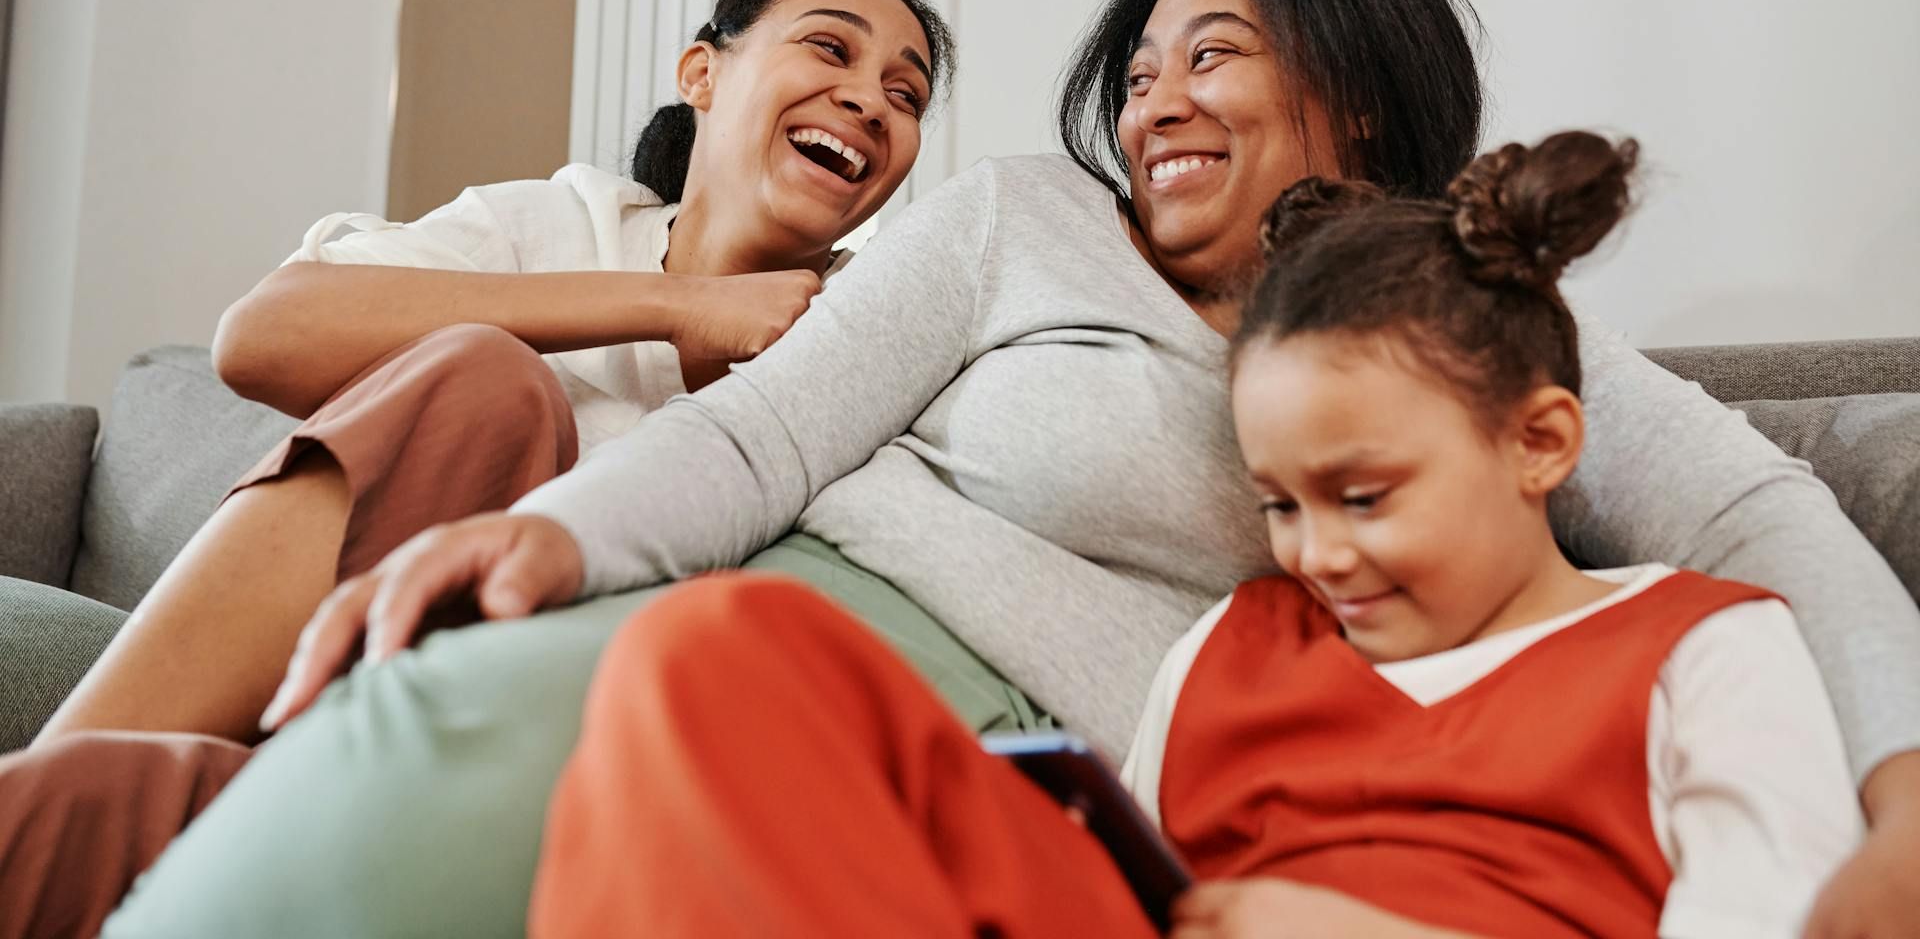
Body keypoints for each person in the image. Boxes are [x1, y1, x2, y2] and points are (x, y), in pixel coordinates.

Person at [100, 0, 1920, 939]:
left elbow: (1765, 523)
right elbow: (768, 441)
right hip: (751, 630)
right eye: (1133, 78)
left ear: (1355, 83)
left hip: (1030, 795)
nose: (1151, 109)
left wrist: (1900, 796)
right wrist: (558, 532)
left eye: (1208, 55)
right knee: (292, 824)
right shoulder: (1014, 225)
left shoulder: (1475, 326)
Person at [523, 131, 1864, 938]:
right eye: (1279, 503)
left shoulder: (1702, 646)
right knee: (712, 652)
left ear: (1541, 444)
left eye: (1365, 495)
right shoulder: (1242, 640)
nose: (1315, 552)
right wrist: (795, 450)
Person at [0, 0, 953, 939]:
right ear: (701, 74)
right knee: (488, 384)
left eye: (905, 93)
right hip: (329, 709)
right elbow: (262, 337)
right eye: (829, 48)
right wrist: (681, 303)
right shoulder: (559, 224)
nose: (871, 102)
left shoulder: (878, 332)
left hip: (534, 756)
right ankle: (82, 781)